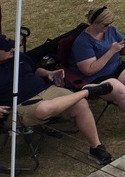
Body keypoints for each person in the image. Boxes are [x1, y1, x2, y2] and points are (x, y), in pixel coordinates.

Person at [0, 35, 116, 165]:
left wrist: (49, 73)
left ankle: (96, 147)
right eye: (6, 48)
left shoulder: (17, 57)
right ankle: (86, 92)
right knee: (45, 108)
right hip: (20, 105)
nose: (11, 48)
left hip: (47, 90)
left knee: (80, 104)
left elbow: (35, 69)